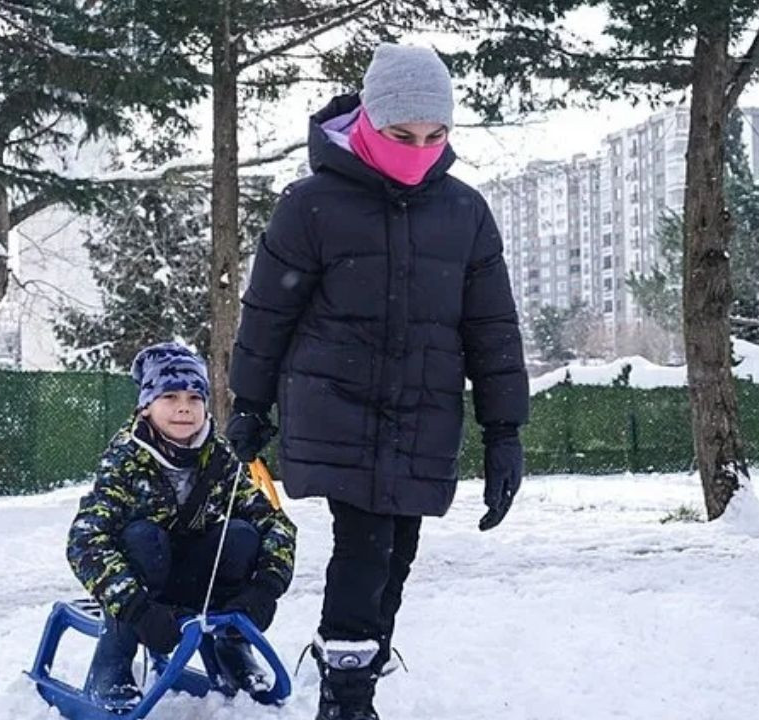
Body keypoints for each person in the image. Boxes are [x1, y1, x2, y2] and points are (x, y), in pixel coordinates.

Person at [226, 43, 528, 720]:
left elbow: (492, 330)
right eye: (402, 135)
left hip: (422, 410)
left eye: (436, 135)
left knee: (398, 552)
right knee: (365, 546)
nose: (420, 148)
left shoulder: (465, 214)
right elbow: (267, 314)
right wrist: (249, 404)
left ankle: (352, 660)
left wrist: (505, 432)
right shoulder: (310, 206)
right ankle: (346, 698)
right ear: (368, 120)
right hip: (335, 400)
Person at [67, 342, 297, 711]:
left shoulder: (220, 457)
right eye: (169, 396)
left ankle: (231, 645)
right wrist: (136, 608)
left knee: (241, 535)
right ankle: (114, 660)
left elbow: (276, 522)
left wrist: (266, 588)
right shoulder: (126, 458)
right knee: (142, 537)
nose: (184, 407)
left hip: (196, 581)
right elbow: (84, 540)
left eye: (194, 396)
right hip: (143, 585)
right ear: (146, 405)